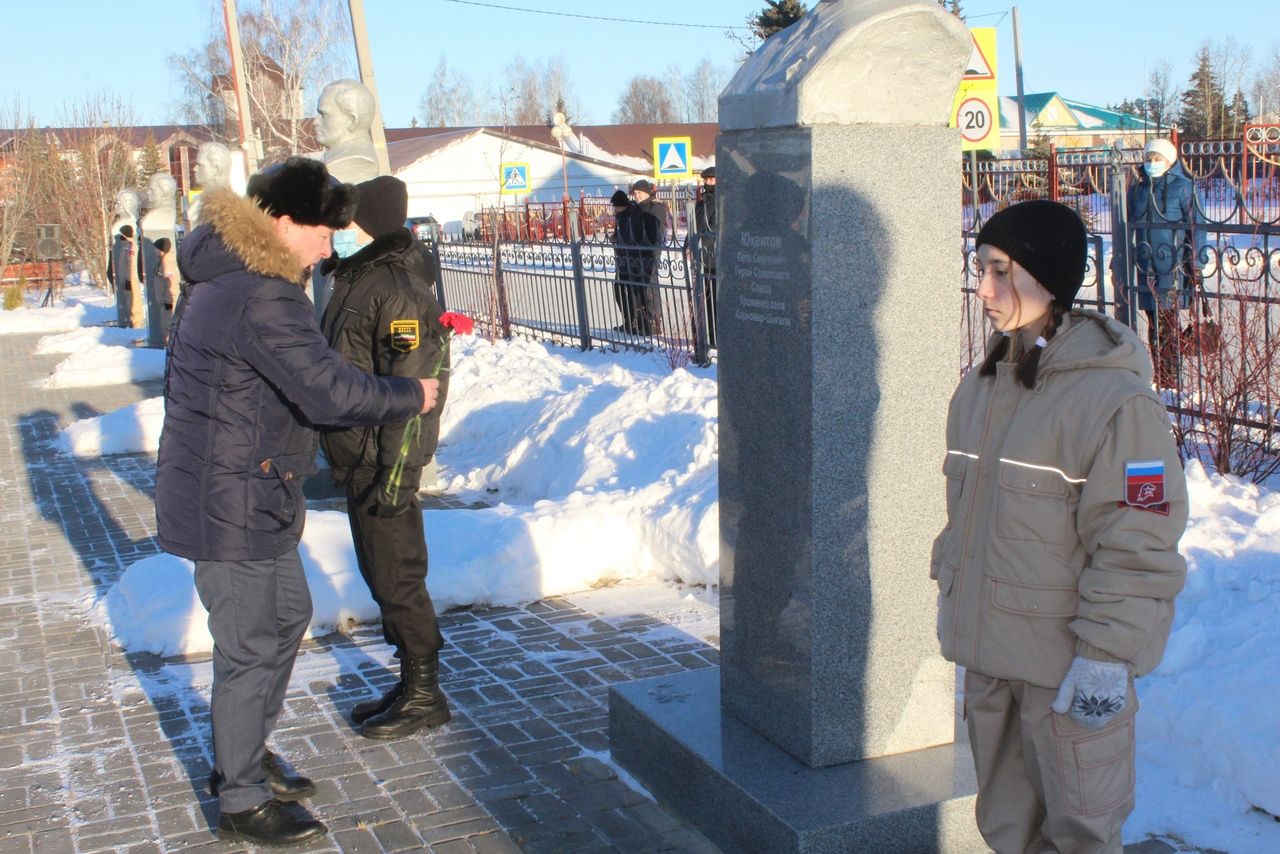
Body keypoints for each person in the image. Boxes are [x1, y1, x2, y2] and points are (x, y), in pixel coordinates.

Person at [155, 157, 440, 847]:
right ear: (282, 223)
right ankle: (241, 798)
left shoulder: (229, 275)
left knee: (287, 615)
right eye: (322, 230)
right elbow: (328, 391)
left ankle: (244, 753)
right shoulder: (261, 292)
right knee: (253, 643)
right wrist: (412, 394)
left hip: (247, 487)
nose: (331, 244)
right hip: (236, 496)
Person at [934, 200, 1188, 853]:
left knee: (1079, 834)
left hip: (1067, 673)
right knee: (1007, 829)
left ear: (1047, 276)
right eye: (980, 269)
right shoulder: (983, 387)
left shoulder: (1115, 402)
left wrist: (1106, 657)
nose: (984, 289)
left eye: (1000, 271)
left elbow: (1142, 536)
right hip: (994, 666)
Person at [319, 176, 453, 740]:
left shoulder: (395, 288)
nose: (337, 234)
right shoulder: (359, 278)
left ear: (371, 225)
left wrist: (400, 472)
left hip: (383, 461)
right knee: (381, 576)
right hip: (360, 454)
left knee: (398, 578)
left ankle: (425, 694)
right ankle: (407, 681)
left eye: (347, 224)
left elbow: (412, 388)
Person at [1123, 138, 1207, 386]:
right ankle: (1161, 375)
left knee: (1168, 323)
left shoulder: (1184, 187)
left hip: (1172, 265)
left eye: (1157, 158)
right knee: (1153, 321)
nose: (1152, 163)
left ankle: (1171, 379)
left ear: (1170, 161)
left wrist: (1197, 262)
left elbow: (1197, 227)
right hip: (1145, 265)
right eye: (1149, 158)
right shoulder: (1138, 189)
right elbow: (1126, 226)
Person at [315, 79, 379, 183]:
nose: (315, 122)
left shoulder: (356, 161)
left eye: (324, 115)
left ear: (352, 121)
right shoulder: (330, 158)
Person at [628, 179, 667, 335]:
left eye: (638, 193)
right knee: (638, 288)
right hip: (636, 252)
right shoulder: (637, 208)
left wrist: (647, 242)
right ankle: (642, 321)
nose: (636, 196)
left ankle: (654, 322)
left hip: (650, 252)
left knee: (650, 287)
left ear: (646, 192)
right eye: (635, 193)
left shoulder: (655, 207)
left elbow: (657, 231)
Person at [609, 189, 645, 334]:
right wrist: (614, 237)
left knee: (633, 291)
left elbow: (636, 234)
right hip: (622, 258)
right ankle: (628, 320)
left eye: (617, 207)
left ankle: (637, 321)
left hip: (634, 258)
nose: (616, 210)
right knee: (619, 289)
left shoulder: (633, 213)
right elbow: (619, 232)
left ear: (623, 205)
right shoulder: (620, 216)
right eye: (615, 208)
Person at [693, 166, 718, 347]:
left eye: (712, 180)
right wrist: (690, 245)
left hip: (716, 257)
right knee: (705, 301)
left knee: (717, 301)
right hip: (702, 258)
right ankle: (709, 338)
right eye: (706, 180)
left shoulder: (722, 201)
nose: (708, 183)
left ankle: (718, 339)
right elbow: (695, 227)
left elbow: (716, 229)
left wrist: (704, 245)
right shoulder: (701, 203)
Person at [106, 224, 139, 328]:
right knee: (127, 301)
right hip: (124, 279)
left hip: (129, 280)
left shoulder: (130, 246)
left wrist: (128, 279)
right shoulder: (124, 246)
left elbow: (131, 265)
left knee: (132, 302)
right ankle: (129, 321)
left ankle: (134, 323)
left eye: (122, 234)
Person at [149, 237, 179, 344]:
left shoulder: (167, 262)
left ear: (162, 249)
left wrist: (168, 299)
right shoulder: (162, 260)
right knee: (165, 323)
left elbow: (171, 283)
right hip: (164, 299)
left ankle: (169, 345)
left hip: (167, 301)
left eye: (156, 248)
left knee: (168, 324)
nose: (154, 251)